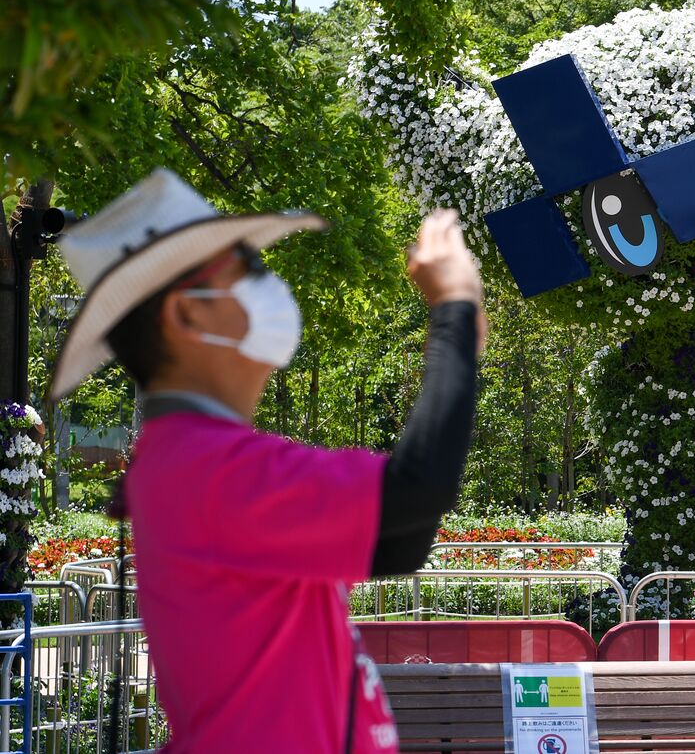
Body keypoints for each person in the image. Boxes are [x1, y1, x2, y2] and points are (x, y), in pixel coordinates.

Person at [45, 169, 487, 753]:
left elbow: (400, 540)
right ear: (186, 314)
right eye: (248, 268)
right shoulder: (203, 465)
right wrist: (452, 310)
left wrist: (460, 347)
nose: (269, 281)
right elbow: (417, 489)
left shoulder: (188, 459)